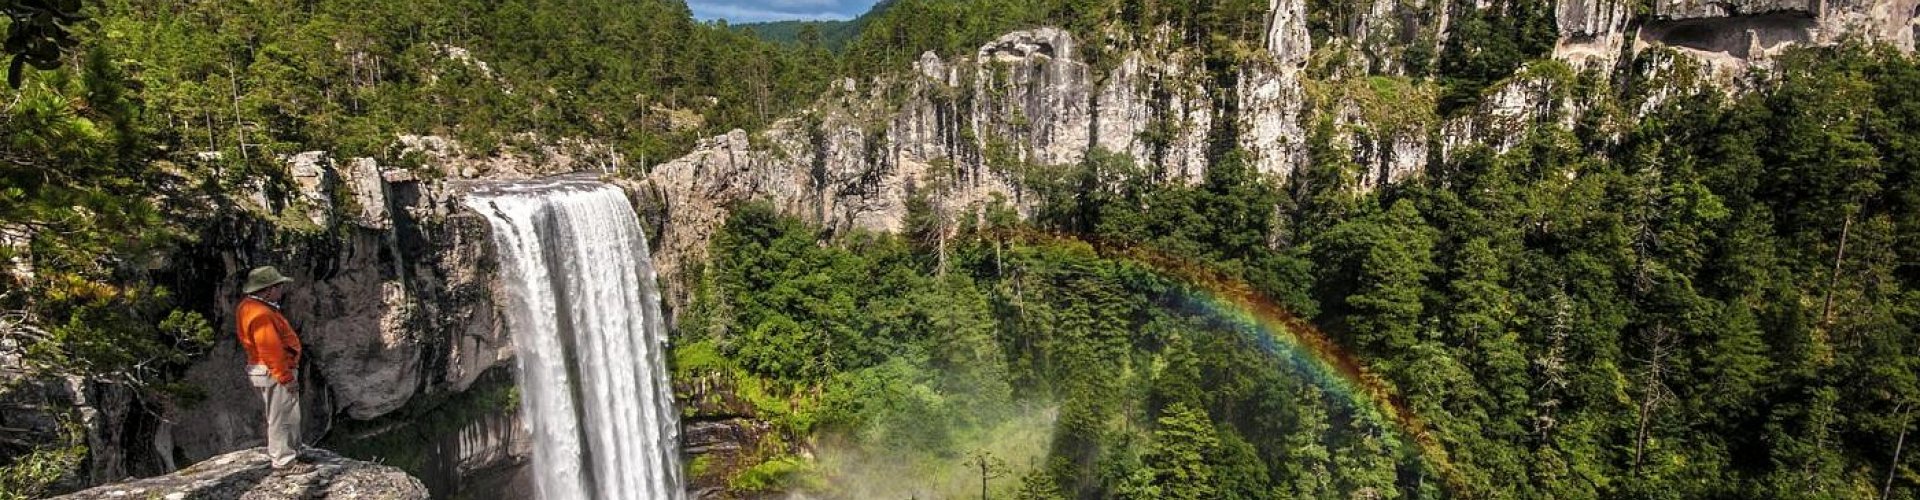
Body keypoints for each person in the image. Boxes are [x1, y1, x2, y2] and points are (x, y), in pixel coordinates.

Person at [235, 266, 305, 469]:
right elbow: (270, 348)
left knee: (286, 413)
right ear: (267, 290)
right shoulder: (261, 314)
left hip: (266, 369)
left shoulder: (248, 307)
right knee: (281, 416)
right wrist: (285, 377)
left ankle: (292, 451)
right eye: (278, 286)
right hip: (274, 371)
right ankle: (285, 461)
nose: (282, 289)